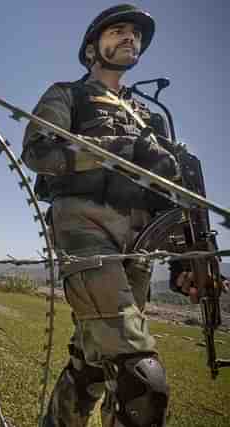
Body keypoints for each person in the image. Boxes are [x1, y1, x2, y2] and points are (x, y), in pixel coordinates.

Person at [21, 5, 185, 427]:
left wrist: (185, 252)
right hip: (84, 225)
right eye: (119, 30)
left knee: (93, 361)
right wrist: (120, 151)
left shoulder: (151, 117)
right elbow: (39, 152)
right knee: (140, 378)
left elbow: (170, 190)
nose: (131, 37)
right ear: (92, 47)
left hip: (142, 241)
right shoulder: (68, 95)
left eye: (136, 34)